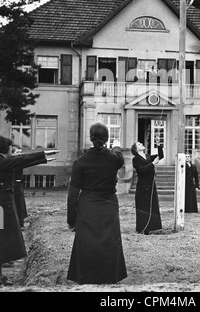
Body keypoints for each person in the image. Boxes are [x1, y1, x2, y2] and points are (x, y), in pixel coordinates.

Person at [67, 122, 127, 285]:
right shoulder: (114, 159)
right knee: (109, 241)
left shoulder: (80, 162)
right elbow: (120, 158)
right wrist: (116, 147)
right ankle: (109, 276)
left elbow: (72, 194)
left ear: (91, 138)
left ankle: (86, 276)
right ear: (106, 139)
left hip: (88, 205)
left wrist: (71, 219)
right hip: (108, 204)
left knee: (86, 241)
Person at [0, 135, 59, 286]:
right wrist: (42, 154)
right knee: (0, 238)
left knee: (1, 239)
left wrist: (43, 160)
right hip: (0, 206)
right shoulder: (1, 161)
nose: (13, 152)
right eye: (11, 149)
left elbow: (21, 163)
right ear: (5, 150)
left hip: (2, 205)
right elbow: (20, 160)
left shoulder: (3, 160)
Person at [131, 136, 163, 235]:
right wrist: (153, 164)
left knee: (152, 206)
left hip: (151, 185)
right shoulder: (136, 159)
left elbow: (160, 156)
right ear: (136, 149)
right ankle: (142, 228)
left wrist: (158, 145)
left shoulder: (148, 156)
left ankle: (152, 227)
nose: (141, 144)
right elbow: (141, 170)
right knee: (143, 207)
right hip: (143, 187)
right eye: (139, 144)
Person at [11, 145, 27, 229]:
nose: (20, 154)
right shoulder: (10, 162)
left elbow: (30, 162)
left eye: (21, 152)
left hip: (18, 185)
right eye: (18, 152)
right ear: (12, 153)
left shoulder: (20, 161)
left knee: (20, 203)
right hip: (11, 186)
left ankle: (20, 223)